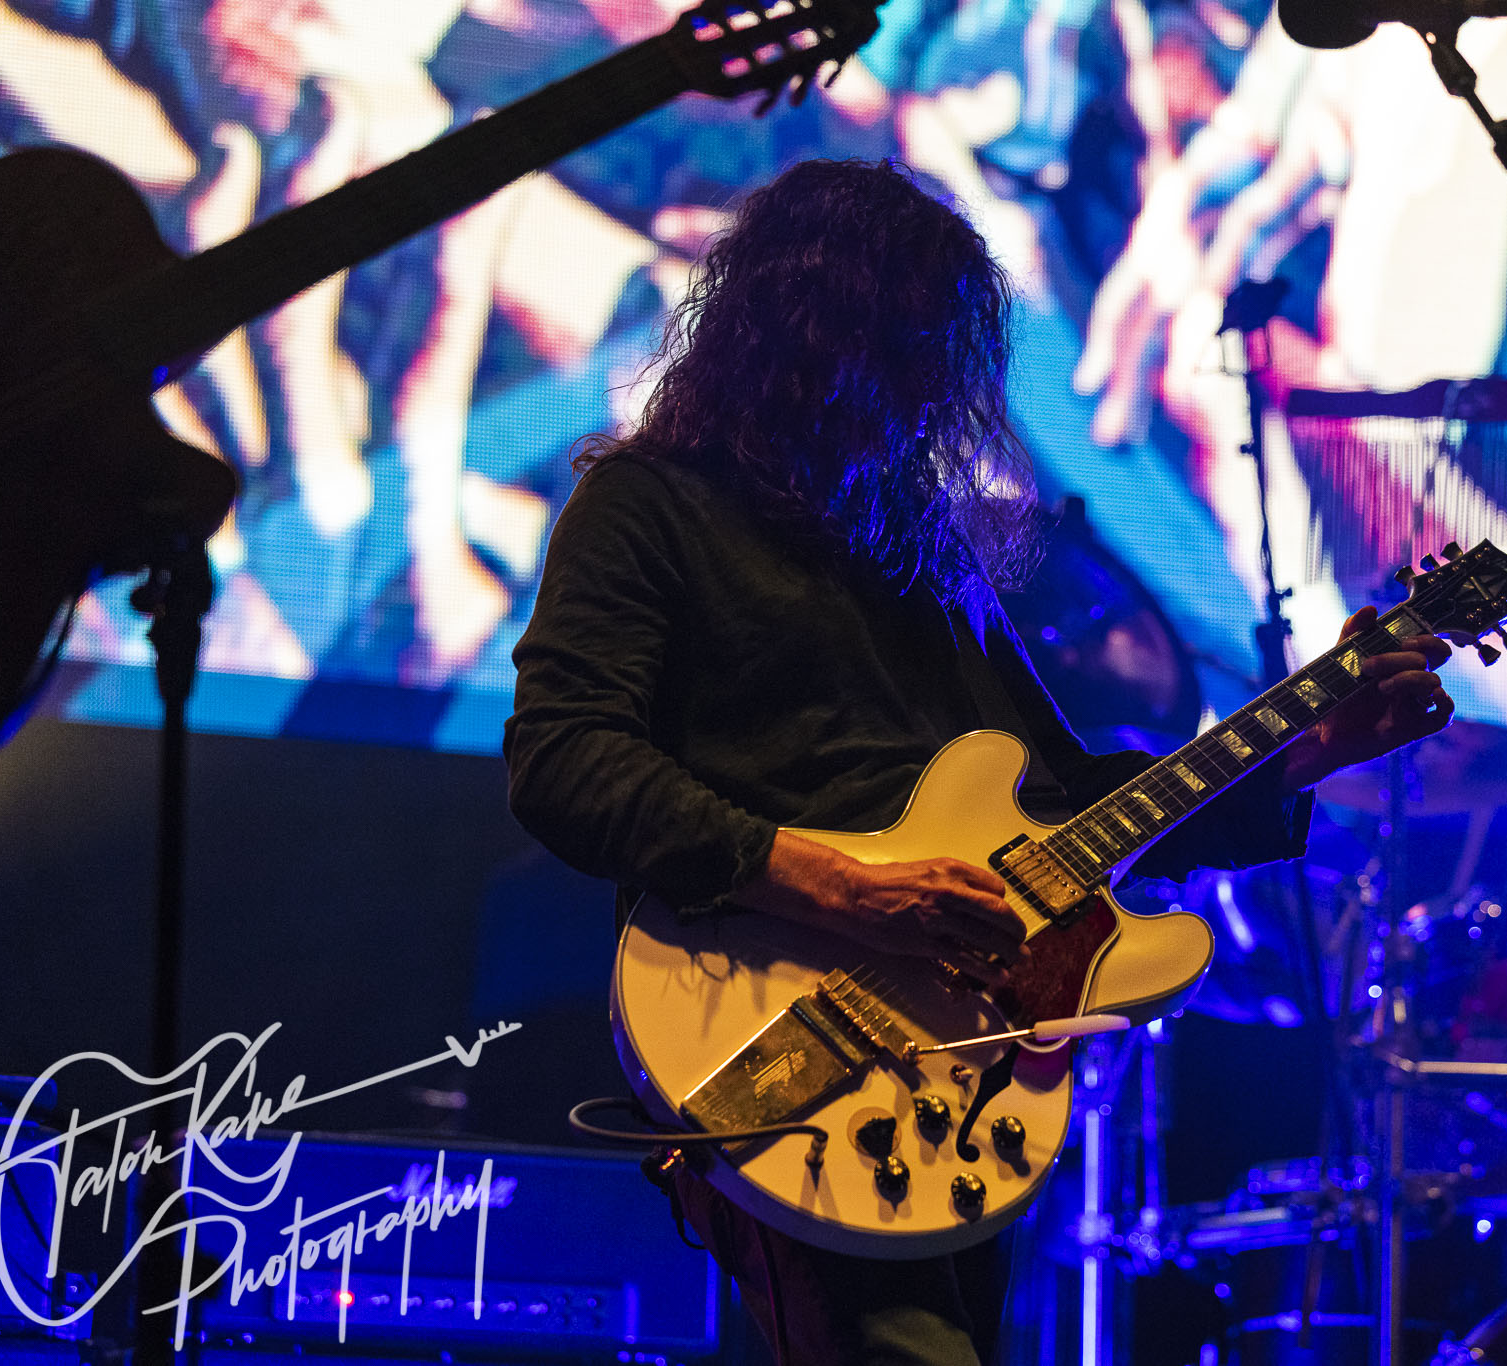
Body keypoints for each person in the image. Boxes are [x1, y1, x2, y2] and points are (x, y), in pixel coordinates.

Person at [504, 157, 1454, 1366]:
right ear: (809, 327)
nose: (927, 387)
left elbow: (1067, 808)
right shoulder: (650, 503)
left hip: (957, 1057)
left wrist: (1302, 750)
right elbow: (564, 759)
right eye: (906, 343)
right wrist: (836, 887)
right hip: (779, 1025)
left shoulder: (922, 551)